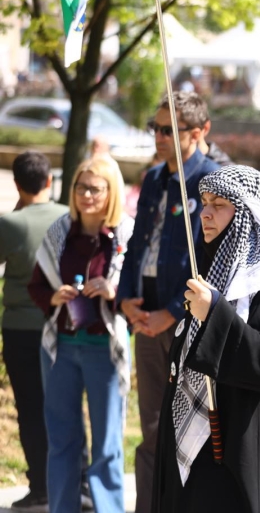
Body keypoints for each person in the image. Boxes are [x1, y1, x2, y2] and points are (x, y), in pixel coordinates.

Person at [152, 165, 260, 512]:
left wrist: (216, 314)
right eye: (204, 202)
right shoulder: (216, 273)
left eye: (219, 204)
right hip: (207, 457)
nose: (205, 212)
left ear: (248, 214)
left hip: (246, 456)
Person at [118, 92, 219, 513]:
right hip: (146, 316)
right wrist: (126, 299)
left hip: (186, 322)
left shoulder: (211, 183)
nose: (159, 137)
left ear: (199, 132)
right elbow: (138, 245)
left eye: (168, 130)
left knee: (188, 428)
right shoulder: (154, 178)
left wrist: (173, 313)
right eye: (155, 129)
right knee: (153, 430)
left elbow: (215, 264)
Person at [28, 156, 135, 513]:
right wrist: (53, 297)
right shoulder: (59, 231)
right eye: (80, 187)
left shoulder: (125, 235)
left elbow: (138, 296)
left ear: (111, 192)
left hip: (105, 350)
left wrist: (111, 293)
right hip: (60, 350)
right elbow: (36, 285)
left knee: (107, 447)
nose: (87, 195)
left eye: (96, 188)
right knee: (62, 441)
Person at [0, 152, 69, 509]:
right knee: (65, 405)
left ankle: (40, 487)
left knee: (29, 408)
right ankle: (76, 483)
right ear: (49, 181)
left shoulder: (11, 224)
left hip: (21, 328)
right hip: (65, 324)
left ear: (17, 184)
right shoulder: (68, 216)